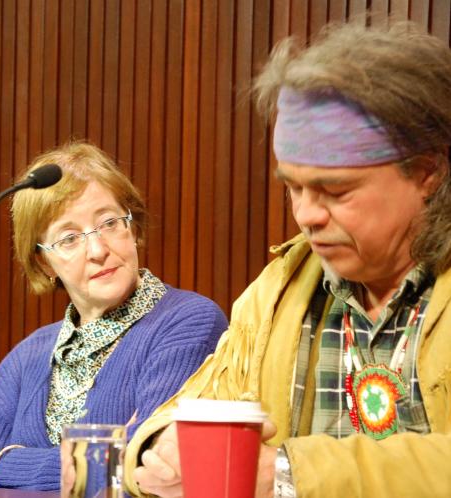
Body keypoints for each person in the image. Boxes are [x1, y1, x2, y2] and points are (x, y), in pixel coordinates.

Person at [122, 20, 451, 498]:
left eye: (334, 190)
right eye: (293, 187)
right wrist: (157, 451)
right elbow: (184, 414)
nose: (305, 215)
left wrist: (286, 473)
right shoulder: (280, 289)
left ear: (428, 172)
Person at [0, 142, 228, 490]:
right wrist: (101, 457)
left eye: (109, 223)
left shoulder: (188, 322)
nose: (97, 250)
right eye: (69, 239)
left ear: (133, 229)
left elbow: (148, 466)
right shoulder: (28, 355)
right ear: (45, 263)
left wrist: (7, 461)